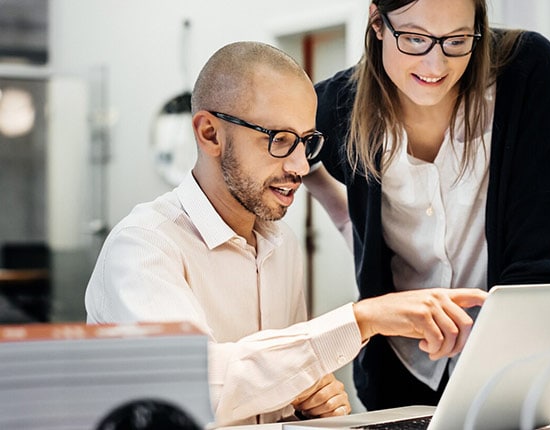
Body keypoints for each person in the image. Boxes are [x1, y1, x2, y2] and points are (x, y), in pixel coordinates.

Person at [85, 41, 488, 427]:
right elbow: (196, 393)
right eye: (279, 140)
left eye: (306, 142)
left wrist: (305, 401)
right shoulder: (142, 247)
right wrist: (362, 319)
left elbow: (269, 391)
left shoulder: (282, 246)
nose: (299, 166)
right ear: (209, 134)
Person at [304, 0, 550, 417]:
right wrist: (350, 225)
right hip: (399, 372)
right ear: (377, 23)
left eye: (458, 40)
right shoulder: (338, 104)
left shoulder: (522, 70)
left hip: (507, 363)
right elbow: (284, 155)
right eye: (415, 39)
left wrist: (532, 372)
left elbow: (542, 244)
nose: (436, 64)